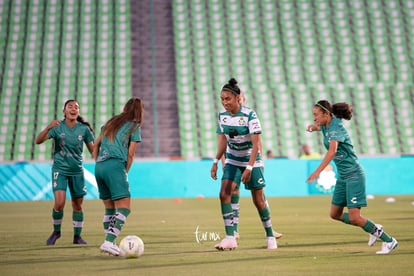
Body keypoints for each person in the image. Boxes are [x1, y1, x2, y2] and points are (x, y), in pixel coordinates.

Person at [306, 100, 398, 254]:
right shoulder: (326, 125)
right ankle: (371, 226)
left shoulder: (336, 128)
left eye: (316, 115)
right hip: (343, 177)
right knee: (335, 214)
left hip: (354, 174)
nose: (314, 118)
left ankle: (389, 240)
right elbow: (320, 127)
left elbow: (332, 151)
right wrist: (314, 128)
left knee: (355, 217)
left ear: (326, 114)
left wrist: (318, 171)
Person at [211, 78, 278, 250]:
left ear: (236, 98)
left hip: (251, 160)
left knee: (258, 200)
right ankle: (230, 237)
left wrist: (250, 166)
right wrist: (216, 160)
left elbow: (256, 144)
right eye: (222, 99)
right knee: (224, 193)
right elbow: (222, 142)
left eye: (228, 99)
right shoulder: (222, 117)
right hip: (233, 159)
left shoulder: (250, 114)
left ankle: (270, 235)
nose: (224, 102)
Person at [35, 99, 95, 245]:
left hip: (77, 171)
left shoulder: (84, 130)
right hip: (60, 170)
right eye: (70, 107)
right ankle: (56, 232)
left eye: (76, 107)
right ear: (64, 111)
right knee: (60, 202)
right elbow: (38, 140)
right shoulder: (57, 127)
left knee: (78, 205)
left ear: (78, 112)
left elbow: (94, 151)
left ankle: (77, 237)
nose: (73, 109)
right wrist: (48, 127)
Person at [93, 98, 144, 256]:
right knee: (124, 208)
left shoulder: (110, 123)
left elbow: (96, 145)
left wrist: (99, 162)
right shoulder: (134, 126)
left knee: (109, 208)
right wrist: (124, 172)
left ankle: (110, 243)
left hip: (100, 166)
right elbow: (130, 154)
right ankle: (108, 241)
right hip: (115, 166)